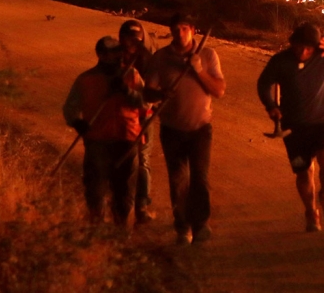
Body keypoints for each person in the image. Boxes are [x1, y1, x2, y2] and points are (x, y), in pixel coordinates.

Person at [256, 22, 324, 232]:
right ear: (292, 44)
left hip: (323, 121)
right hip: (294, 126)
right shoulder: (281, 61)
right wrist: (271, 106)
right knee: (303, 173)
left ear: (316, 46)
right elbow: (263, 84)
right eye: (299, 47)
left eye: (308, 48)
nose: (303, 52)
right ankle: (311, 211)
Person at [143, 13, 226, 245]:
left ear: (193, 30)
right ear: (170, 31)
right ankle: (183, 226)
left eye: (184, 28)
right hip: (172, 129)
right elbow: (147, 93)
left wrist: (198, 70)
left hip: (201, 128)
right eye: (176, 29)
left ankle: (201, 225)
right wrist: (161, 94)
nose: (180, 33)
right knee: (178, 180)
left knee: (200, 178)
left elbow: (219, 91)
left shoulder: (207, 55)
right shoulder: (161, 58)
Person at [62, 36, 145, 227]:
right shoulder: (86, 79)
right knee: (95, 189)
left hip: (127, 139)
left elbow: (145, 103)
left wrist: (126, 91)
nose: (117, 56)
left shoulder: (131, 75)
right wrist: (77, 122)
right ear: (100, 55)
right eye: (111, 53)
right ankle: (97, 230)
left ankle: (121, 231)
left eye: (118, 52)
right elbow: (70, 108)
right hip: (97, 141)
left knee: (124, 190)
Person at [119, 19, 157, 224]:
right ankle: (121, 203)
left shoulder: (149, 58)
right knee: (123, 158)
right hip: (122, 116)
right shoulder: (116, 58)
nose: (132, 43)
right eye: (128, 39)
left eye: (136, 39)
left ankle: (141, 205)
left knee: (143, 160)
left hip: (145, 115)